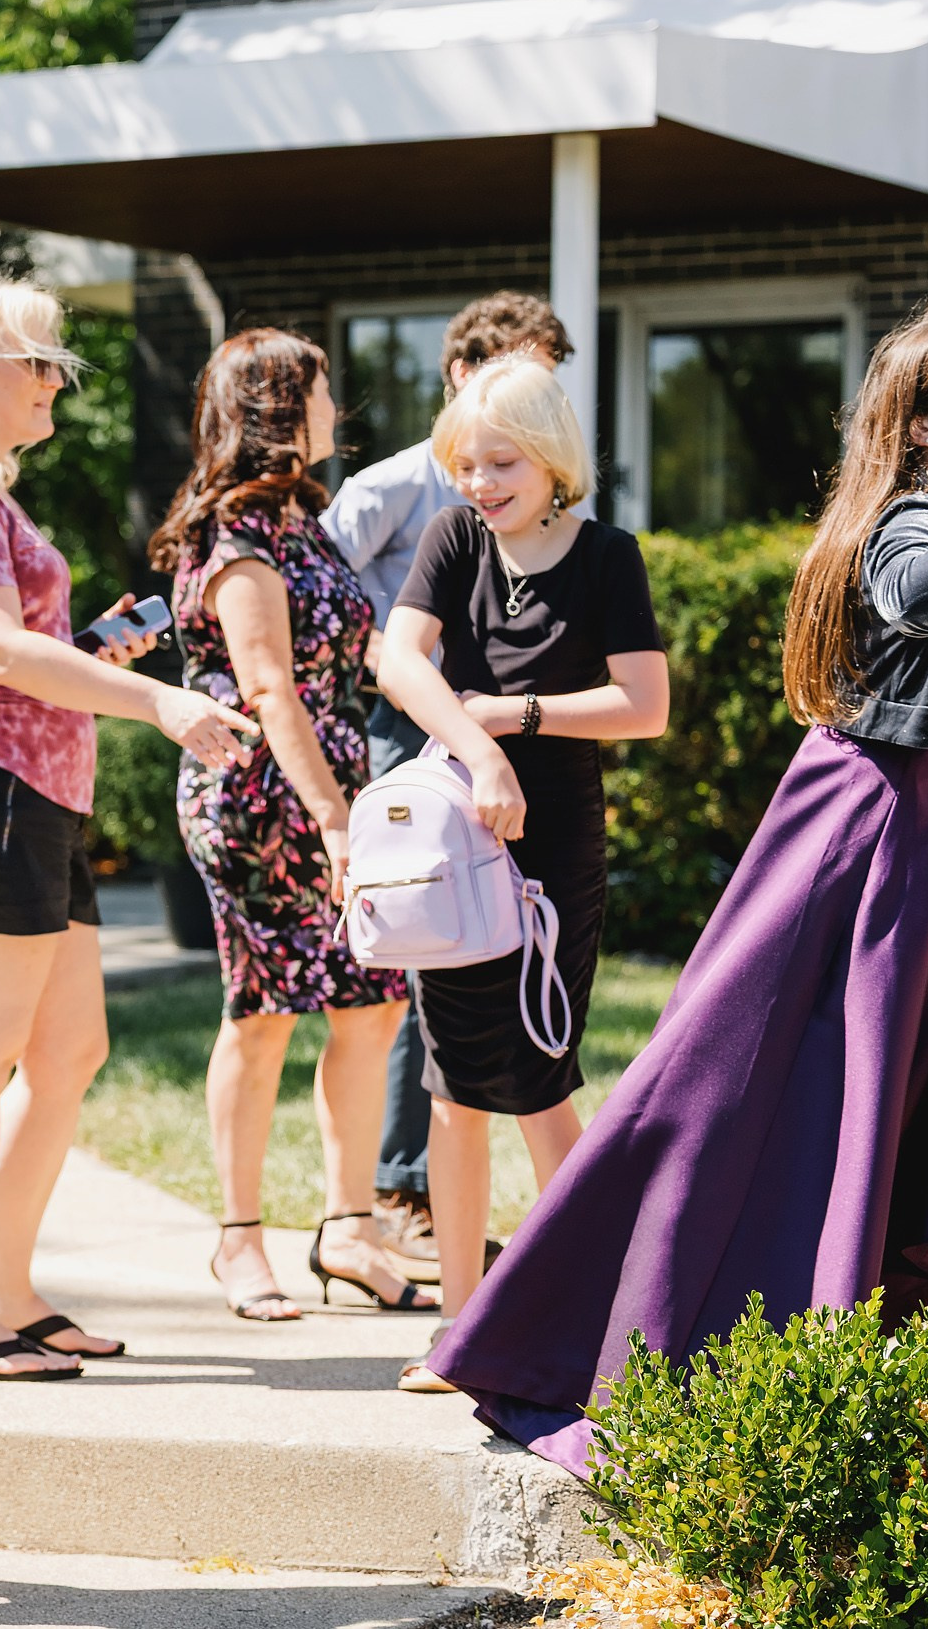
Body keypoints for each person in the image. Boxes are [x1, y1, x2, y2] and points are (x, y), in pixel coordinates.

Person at [429, 282, 928, 1466]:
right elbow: (911, 594)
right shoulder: (914, 522)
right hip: (881, 841)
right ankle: (566, 1339)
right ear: (917, 417)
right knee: (765, 1100)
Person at [0, 273, 255, 1378]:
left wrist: (89, 653)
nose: (55, 383)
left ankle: (5, 1287)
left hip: (37, 792)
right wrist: (160, 699)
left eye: (61, 365)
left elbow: (16, 645)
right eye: (37, 362)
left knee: (69, 1052)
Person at [377, 355, 668, 1392]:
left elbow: (644, 706)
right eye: (465, 462)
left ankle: (575, 1323)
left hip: (554, 854)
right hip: (457, 843)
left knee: (543, 1078)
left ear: (551, 461)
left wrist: (524, 718)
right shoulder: (457, 540)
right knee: (452, 1089)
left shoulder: (607, 558)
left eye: (501, 461)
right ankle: (460, 1335)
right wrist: (480, 746)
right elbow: (397, 661)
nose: (479, 482)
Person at [150, 329, 431, 1323]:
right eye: (316, 393)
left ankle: (348, 1231)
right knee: (263, 1013)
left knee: (370, 1004)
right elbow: (269, 689)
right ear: (274, 410)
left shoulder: (305, 524)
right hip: (259, 800)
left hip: (334, 788)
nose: (332, 410)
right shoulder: (236, 538)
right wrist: (334, 823)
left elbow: (355, 662)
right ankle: (238, 1242)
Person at [321, 293, 573, 1285]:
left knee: (481, 949)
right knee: (429, 947)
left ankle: (423, 1193)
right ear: (466, 373)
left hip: (492, 747)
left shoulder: (556, 519)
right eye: (522, 370)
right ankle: (400, 1190)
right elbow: (318, 591)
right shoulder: (400, 489)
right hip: (409, 739)